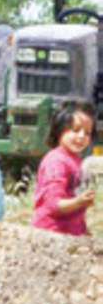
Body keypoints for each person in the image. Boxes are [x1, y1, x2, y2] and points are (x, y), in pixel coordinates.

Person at [31, 99, 96, 236]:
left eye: (87, 132)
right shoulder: (56, 161)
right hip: (50, 235)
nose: (81, 136)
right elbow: (53, 205)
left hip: (69, 235)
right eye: (75, 130)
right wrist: (79, 202)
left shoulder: (76, 161)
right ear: (59, 130)